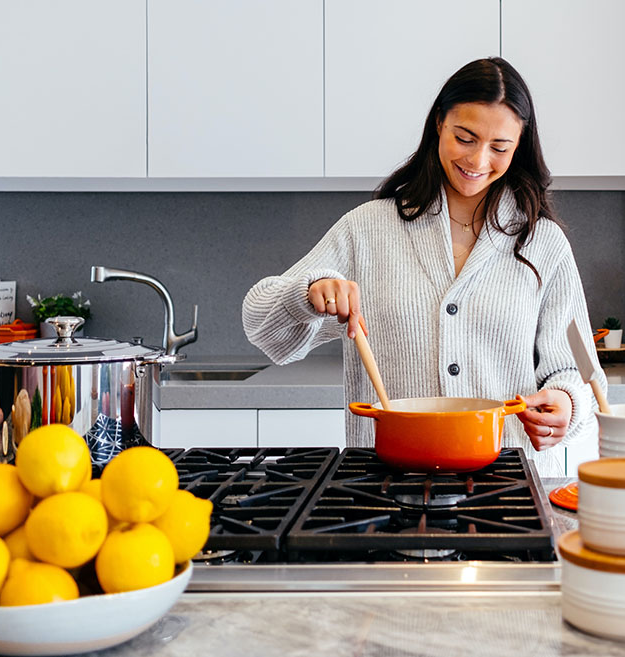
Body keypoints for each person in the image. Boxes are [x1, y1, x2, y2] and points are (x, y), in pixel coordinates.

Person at [242, 57, 606, 476]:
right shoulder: (369, 229)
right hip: (383, 486)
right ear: (439, 124)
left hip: (505, 486)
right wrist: (308, 293)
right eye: (465, 137)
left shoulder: (543, 242)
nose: (479, 159)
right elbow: (261, 325)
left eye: (499, 147)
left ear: (519, 145)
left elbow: (576, 370)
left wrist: (564, 402)